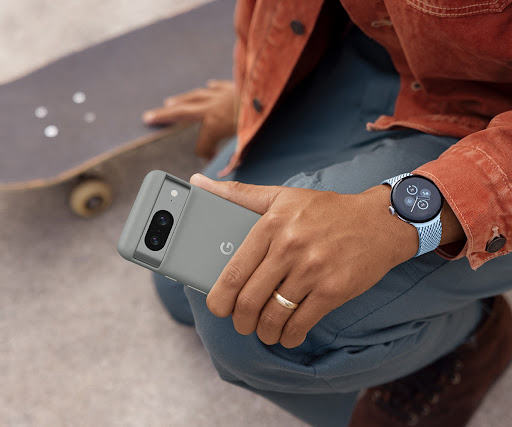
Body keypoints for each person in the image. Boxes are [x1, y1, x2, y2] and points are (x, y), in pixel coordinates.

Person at [142, 1, 512, 426]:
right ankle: (427, 308)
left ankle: (468, 341)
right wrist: (257, 83)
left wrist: (397, 219)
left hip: (489, 118)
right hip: (375, 52)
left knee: (252, 324)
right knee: (182, 273)